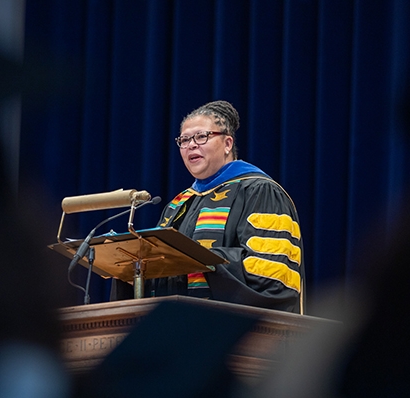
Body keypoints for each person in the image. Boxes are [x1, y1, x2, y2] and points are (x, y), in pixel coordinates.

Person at [113, 100, 305, 314]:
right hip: (174, 328)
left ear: (228, 144)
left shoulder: (259, 191)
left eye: (201, 136)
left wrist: (196, 258)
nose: (191, 145)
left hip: (232, 332)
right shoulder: (179, 204)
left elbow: (271, 277)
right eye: (184, 140)